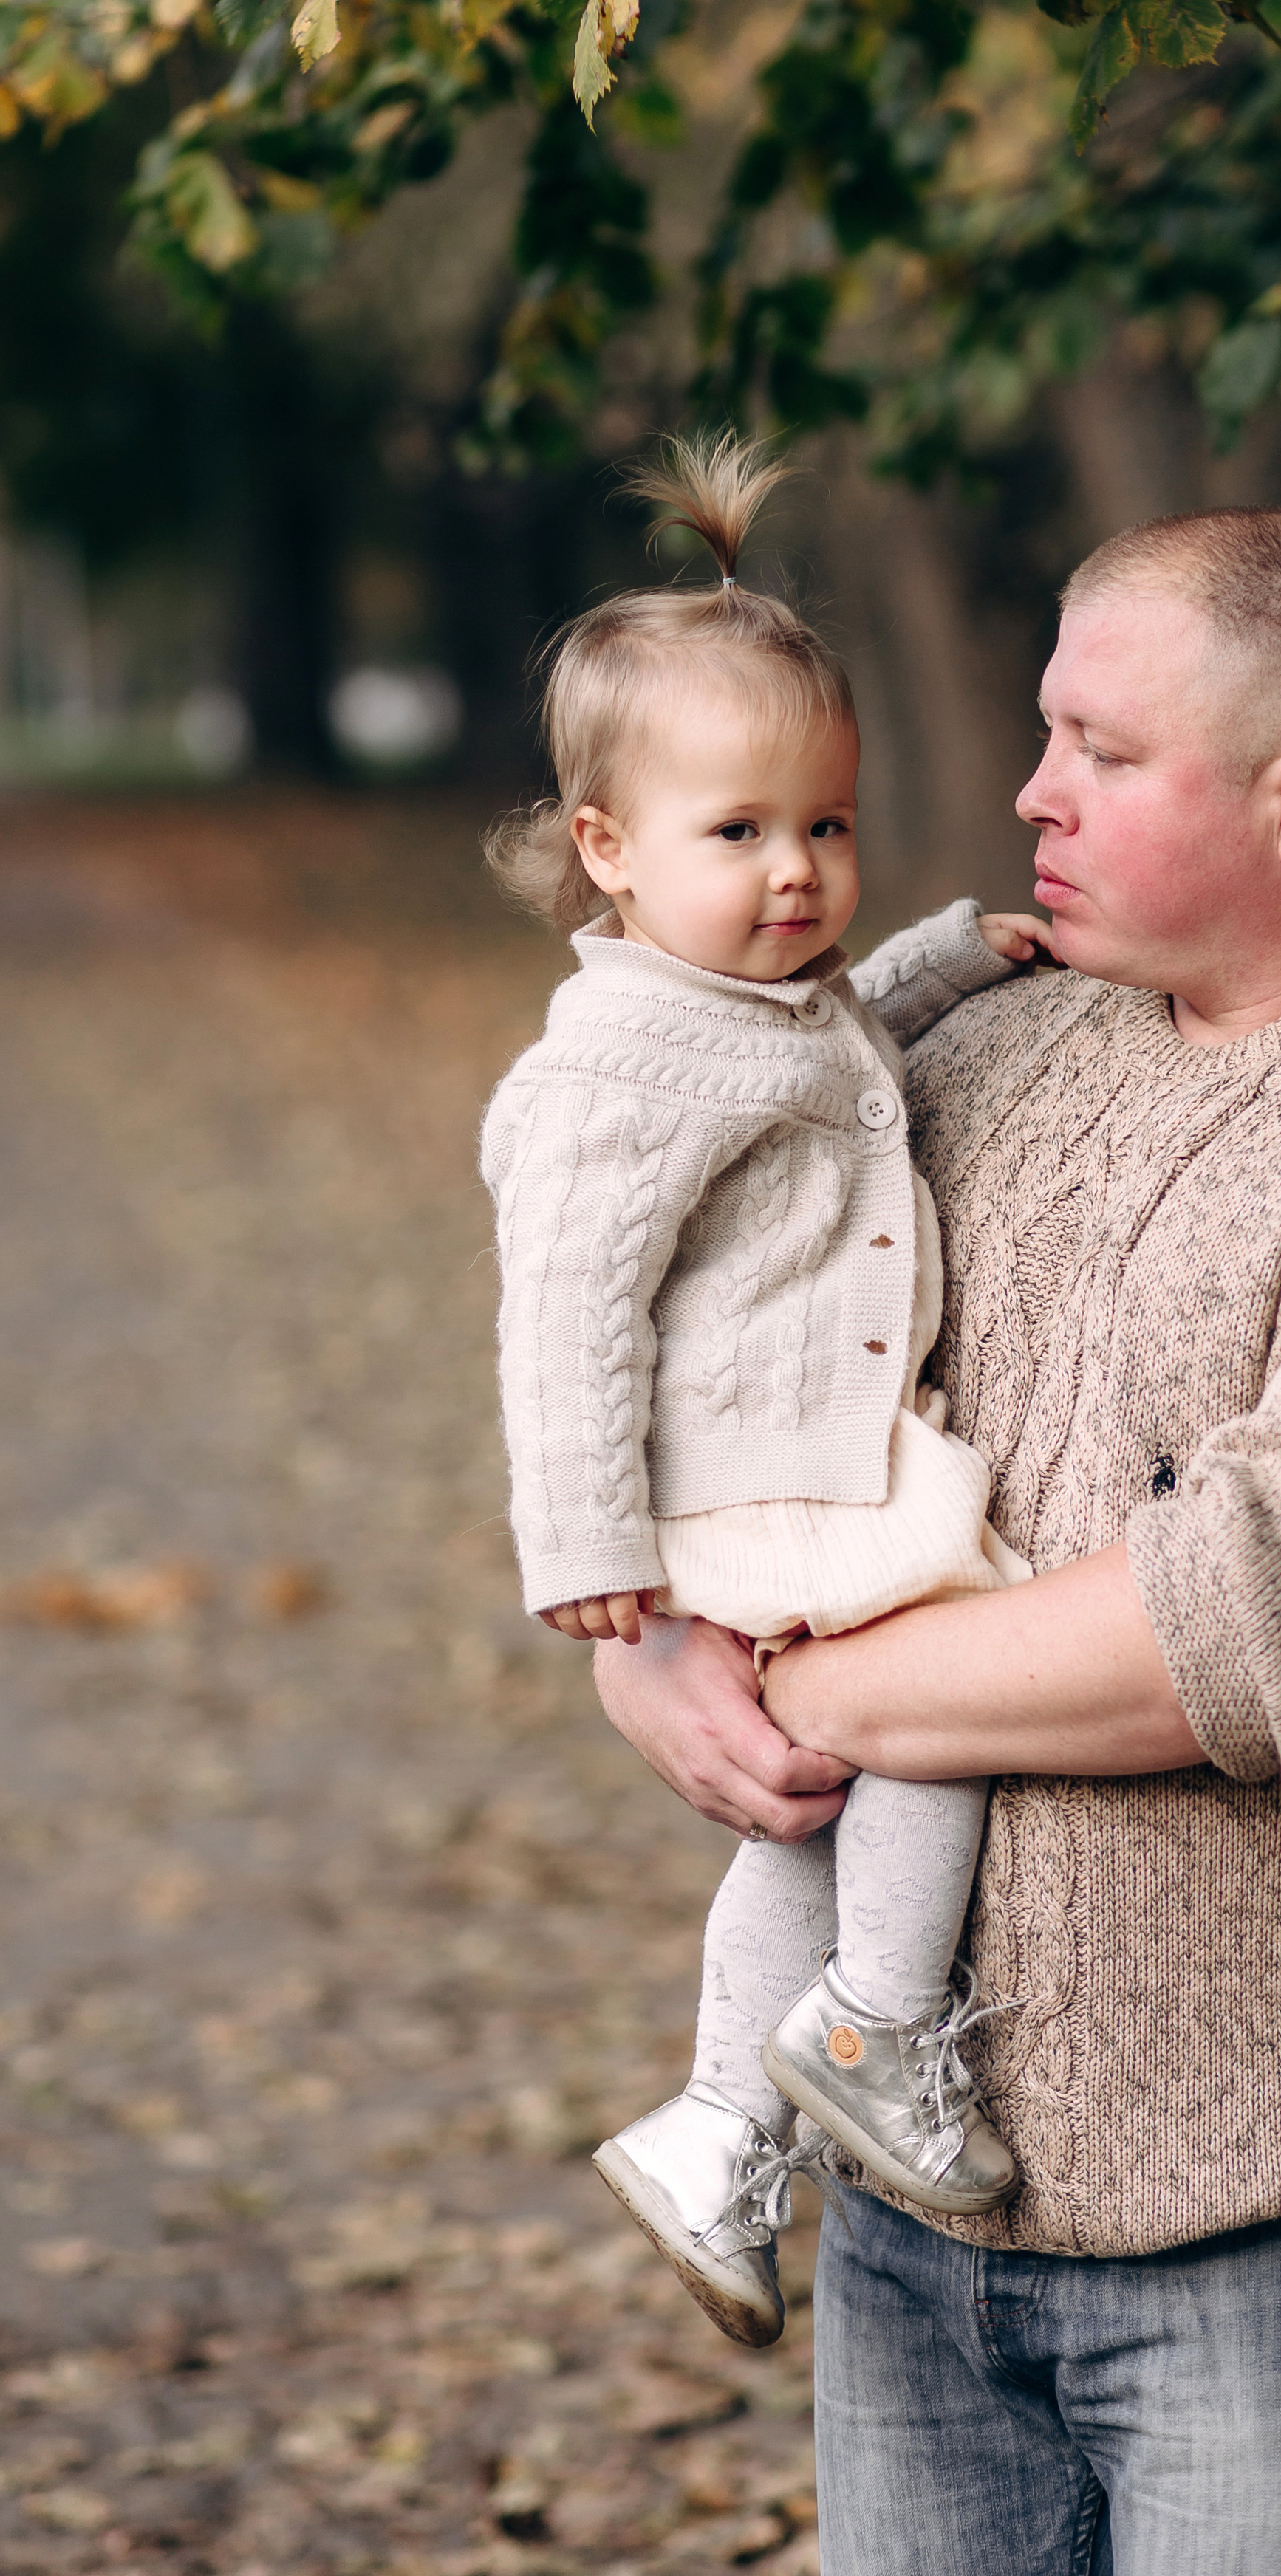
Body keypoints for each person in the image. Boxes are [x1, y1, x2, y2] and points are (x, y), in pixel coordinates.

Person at [589, 501, 1281, 2575]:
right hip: (908, 2211)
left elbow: (1259, 1635)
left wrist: (799, 1684)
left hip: (1267, 2248)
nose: (1028, 792)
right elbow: (675, 1312)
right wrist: (642, 1641)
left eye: (1099, 746)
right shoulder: (982, 1053)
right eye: (1041, 732)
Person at [479, 436, 1056, 2355]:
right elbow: (568, 1303)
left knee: (794, 1817)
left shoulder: (748, 1002)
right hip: (754, 1480)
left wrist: (949, 955)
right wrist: (585, 1549)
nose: (794, 874)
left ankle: (725, 2126)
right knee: (957, 1691)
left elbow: (838, 1043)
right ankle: (876, 2032)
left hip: (782, 1467)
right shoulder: (625, 1062)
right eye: (739, 834)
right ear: (608, 846)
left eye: (827, 828)